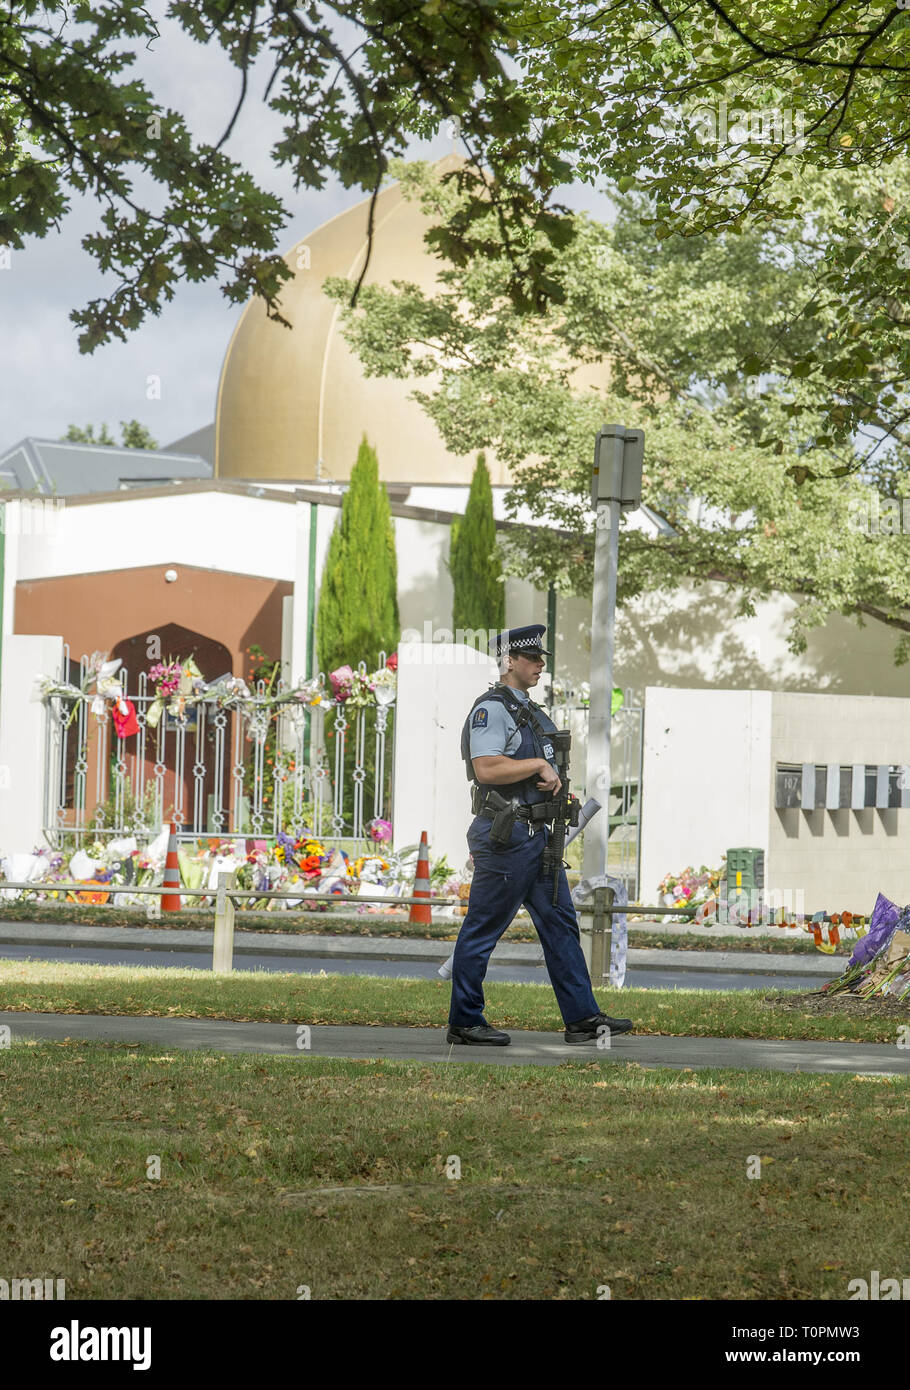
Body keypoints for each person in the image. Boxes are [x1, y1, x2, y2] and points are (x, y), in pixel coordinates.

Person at [446, 624, 633, 1046]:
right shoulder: (491, 710)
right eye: (531, 657)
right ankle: (465, 1020)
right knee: (483, 929)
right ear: (509, 661)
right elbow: (487, 768)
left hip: (537, 840)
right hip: (506, 839)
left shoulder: (528, 710)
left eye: (541, 658)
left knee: (562, 926)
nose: (540, 664)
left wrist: (563, 795)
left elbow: (544, 767)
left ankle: (582, 1018)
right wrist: (536, 767)